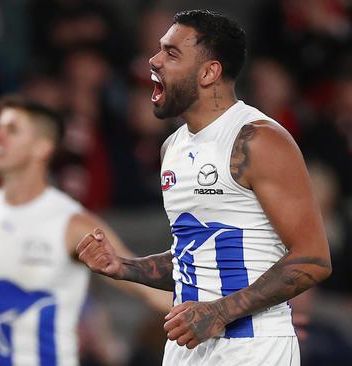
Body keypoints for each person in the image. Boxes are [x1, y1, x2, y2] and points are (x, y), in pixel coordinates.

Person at [75, 9, 332, 366]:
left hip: (253, 347)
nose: (154, 59)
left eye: (171, 52)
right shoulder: (173, 148)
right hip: (188, 345)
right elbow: (194, 256)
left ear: (210, 72)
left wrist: (220, 312)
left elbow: (314, 258)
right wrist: (123, 266)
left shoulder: (259, 139)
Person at [0, 95, 170, 365]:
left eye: (12, 130)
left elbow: (142, 285)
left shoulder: (71, 224)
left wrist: (208, 311)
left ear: (42, 148)